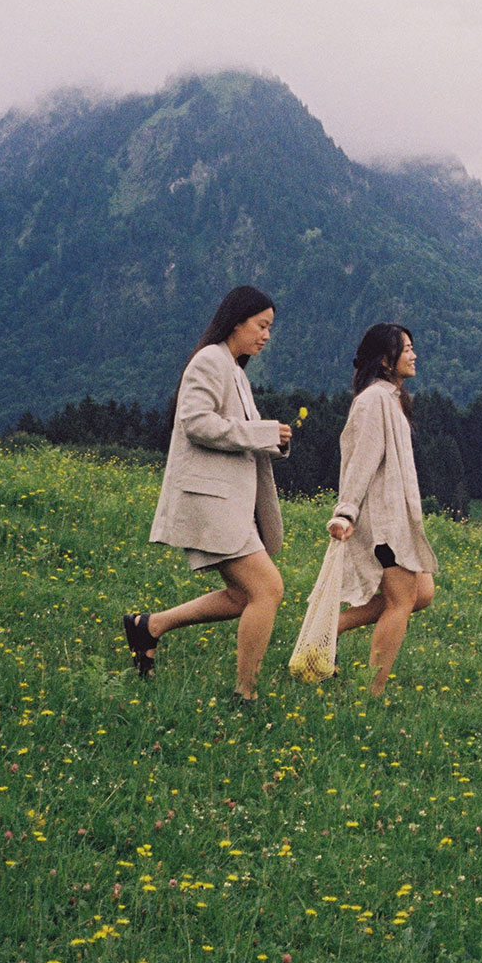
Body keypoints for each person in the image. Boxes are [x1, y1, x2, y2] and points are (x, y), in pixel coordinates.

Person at [122, 285, 293, 702]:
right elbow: (196, 423)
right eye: (261, 325)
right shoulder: (209, 361)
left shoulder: (233, 368)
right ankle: (245, 693)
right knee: (268, 590)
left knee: (242, 596)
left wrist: (272, 439)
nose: (266, 335)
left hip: (229, 502)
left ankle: (150, 626)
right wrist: (262, 432)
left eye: (270, 327)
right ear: (237, 321)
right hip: (211, 500)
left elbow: (235, 432)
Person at [328, 322, 438, 697]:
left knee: (422, 592)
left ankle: (330, 629)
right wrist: (345, 512)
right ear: (386, 359)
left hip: (395, 518)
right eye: (406, 348)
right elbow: (361, 461)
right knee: (401, 601)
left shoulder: (389, 398)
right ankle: (370, 693)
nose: (413, 354)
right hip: (381, 522)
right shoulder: (374, 400)